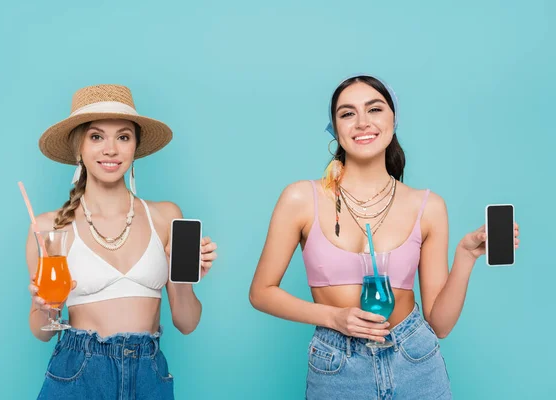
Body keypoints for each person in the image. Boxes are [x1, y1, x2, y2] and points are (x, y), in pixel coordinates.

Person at [249, 74, 519, 399]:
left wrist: (466, 255)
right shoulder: (301, 199)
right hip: (337, 364)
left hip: (415, 359)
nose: (362, 122)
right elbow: (261, 293)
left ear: (393, 119)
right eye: (347, 113)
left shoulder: (428, 206)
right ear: (335, 128)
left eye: (374, 109)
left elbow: (441, 324)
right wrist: (334, 317)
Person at [26, 84, 217, 399]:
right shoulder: (48, 227)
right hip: (78, 373)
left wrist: (182, 276)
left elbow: (186, 322)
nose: (111, 150)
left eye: (123, 137)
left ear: (135, 147)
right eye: (97, 137)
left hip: (149, 374)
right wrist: (42, 305)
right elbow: (41, 332)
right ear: (79, 148)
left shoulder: (166, 216)